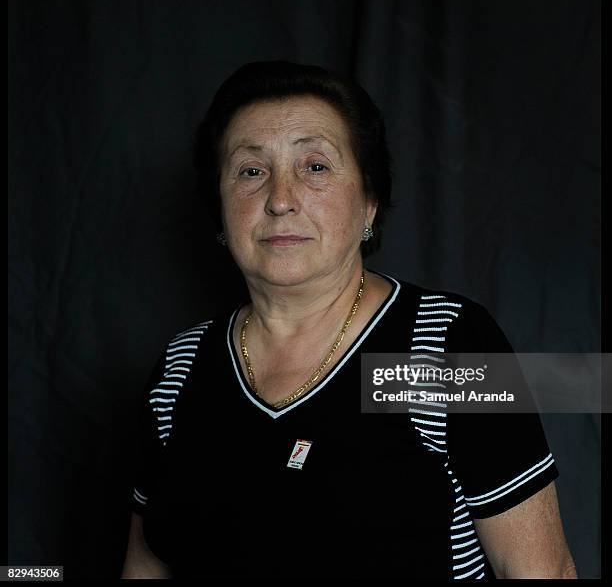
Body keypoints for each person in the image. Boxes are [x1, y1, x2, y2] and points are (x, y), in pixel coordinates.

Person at [121, 61, 577, 579]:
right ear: (221, 211)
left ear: (369, 204)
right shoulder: (181, 368)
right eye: (251, 170)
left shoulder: (447, 344)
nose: (280, 200)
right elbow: (146, 565)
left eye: (315, 166)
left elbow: (542, 570)